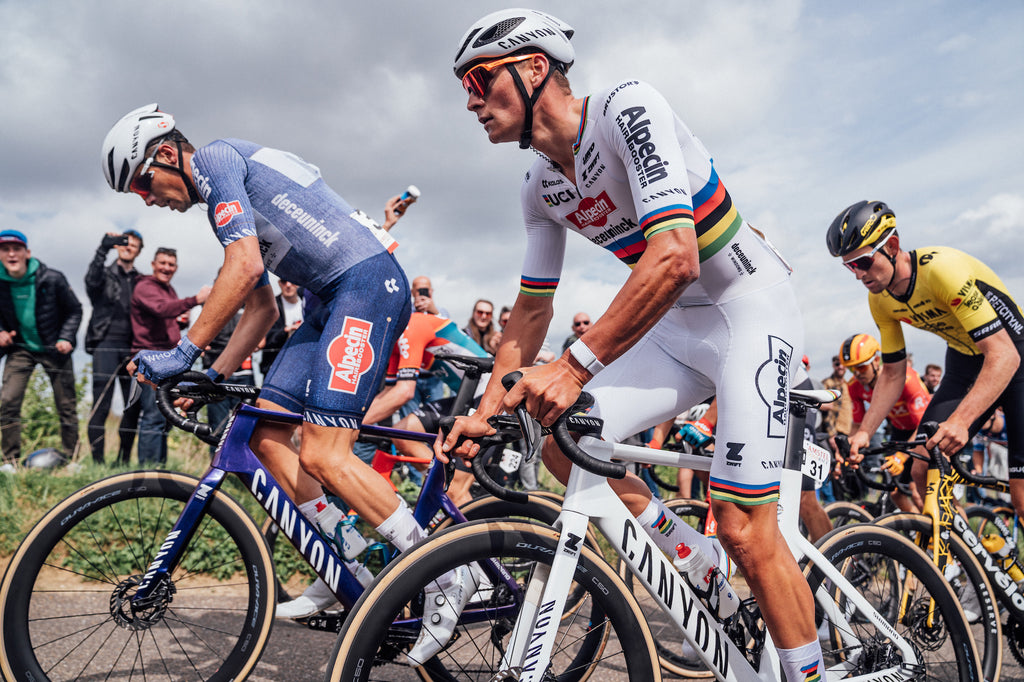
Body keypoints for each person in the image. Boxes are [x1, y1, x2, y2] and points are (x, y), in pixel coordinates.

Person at [441, 10, 820, 677]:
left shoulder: (627, 108)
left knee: (742, 527)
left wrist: (573, 365)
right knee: (562, 440)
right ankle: (689, 557)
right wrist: (490, 410)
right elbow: (531, 308)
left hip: (748, 312)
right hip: (676, 331)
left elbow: (676, 257)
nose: (470, 99)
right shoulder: (540, 186)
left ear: (535, 69)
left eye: (479, 78)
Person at [102, 104, 467, 664]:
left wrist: (181, 351)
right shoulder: (220, 190)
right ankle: (343, 558)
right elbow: (262, 309)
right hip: (328, 300)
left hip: (364, 285)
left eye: (144, 183)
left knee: (324, 453)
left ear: (169, 154)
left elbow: (244, 268)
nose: (147, 200)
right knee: (264, 435)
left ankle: (446, 571)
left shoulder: (218, 160)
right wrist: (212, 375)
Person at [277, 309, 490, 619]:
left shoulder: (412, 325)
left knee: (435, 466)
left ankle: (480, 574)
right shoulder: (391, 340)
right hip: (467, 394)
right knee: (405, 434)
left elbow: (403, 392)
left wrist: (345, 423)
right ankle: (437, 495)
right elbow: (383, 393)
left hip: (487, 397)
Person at [827, 200, 1024, 525]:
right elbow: (892, 372)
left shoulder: (941, 271)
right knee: (921, 465)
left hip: (1013, 356)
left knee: (1021, 497)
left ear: (892, 245)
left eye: (863, 261)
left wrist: (961, 421)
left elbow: (1004, 355)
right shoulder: (880, 299)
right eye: (850, 267)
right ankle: (969, 566)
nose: (859, 274)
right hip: (965, 359)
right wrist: (864, 432)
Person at [0, 230, 82, 471]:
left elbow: (75, 310)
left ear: (27, 253)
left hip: (53, 347)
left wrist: (66, 337)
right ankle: (9, 462)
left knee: (66, 405)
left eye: (16, 249)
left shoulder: (52, 278)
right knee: (8, 401)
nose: (11, 254)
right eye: (5, 249)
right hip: (21, 349)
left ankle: (72, 459)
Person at [130, 247, 212, 465]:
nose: (167, 268)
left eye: (171, 264)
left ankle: (159, 470)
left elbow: (165, 313)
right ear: (153, 264)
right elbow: (161, 309)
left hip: (166, 362)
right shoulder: (145, 286)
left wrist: (178, 324)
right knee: (152, 418)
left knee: (165, 419)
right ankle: (147, 474)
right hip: (151, 362)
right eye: (163, 263)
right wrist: (196, 299)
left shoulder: (169, 290)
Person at [84, 229, 144, 464]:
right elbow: (90, 281)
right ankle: (97, 462)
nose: (128, 247)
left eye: (134, 245)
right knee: (101, 402)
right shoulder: (103, 275)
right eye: (124, 243)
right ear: (118, 247)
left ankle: (123, 460)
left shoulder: (142, 280)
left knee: (133, 405)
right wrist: (102, 248)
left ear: (139, 251)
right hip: (105, 343)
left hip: (133, 348)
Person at [258, 279, 303, 380]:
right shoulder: (270, 307)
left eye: (292, 281)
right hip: (274, 367)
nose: (288, 285)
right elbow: (264, 340)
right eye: (284, 281)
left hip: (301, 366)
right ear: (279, 283)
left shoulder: (308, 304)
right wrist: (286, 331)